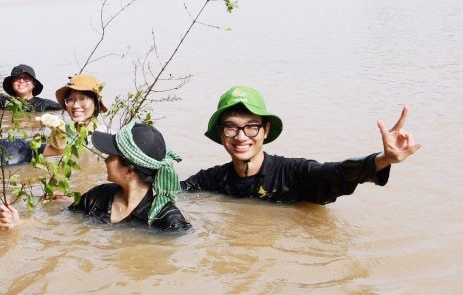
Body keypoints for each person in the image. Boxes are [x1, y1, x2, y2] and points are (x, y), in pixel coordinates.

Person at [180, 86, 422, 204]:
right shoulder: (210, 180)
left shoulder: (296, 173)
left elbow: (337, 173)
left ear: (266, 130)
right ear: (221, 134)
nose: (241, 137)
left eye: (251, 126)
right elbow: (173, 192)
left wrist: (383, 159)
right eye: (231, 127)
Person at [0, 122, 191, 232]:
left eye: (111, 156)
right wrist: (19, 224)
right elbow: (63, 220)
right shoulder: (99, 196)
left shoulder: (167, 220)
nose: (105, 159)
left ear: (129, 171)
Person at [39, 72, 110, 157]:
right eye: (70, 99)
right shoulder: (62, 131)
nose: (75, 106)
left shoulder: (107, 136)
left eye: (83, 99)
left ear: (96, 104)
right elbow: (46, 156)